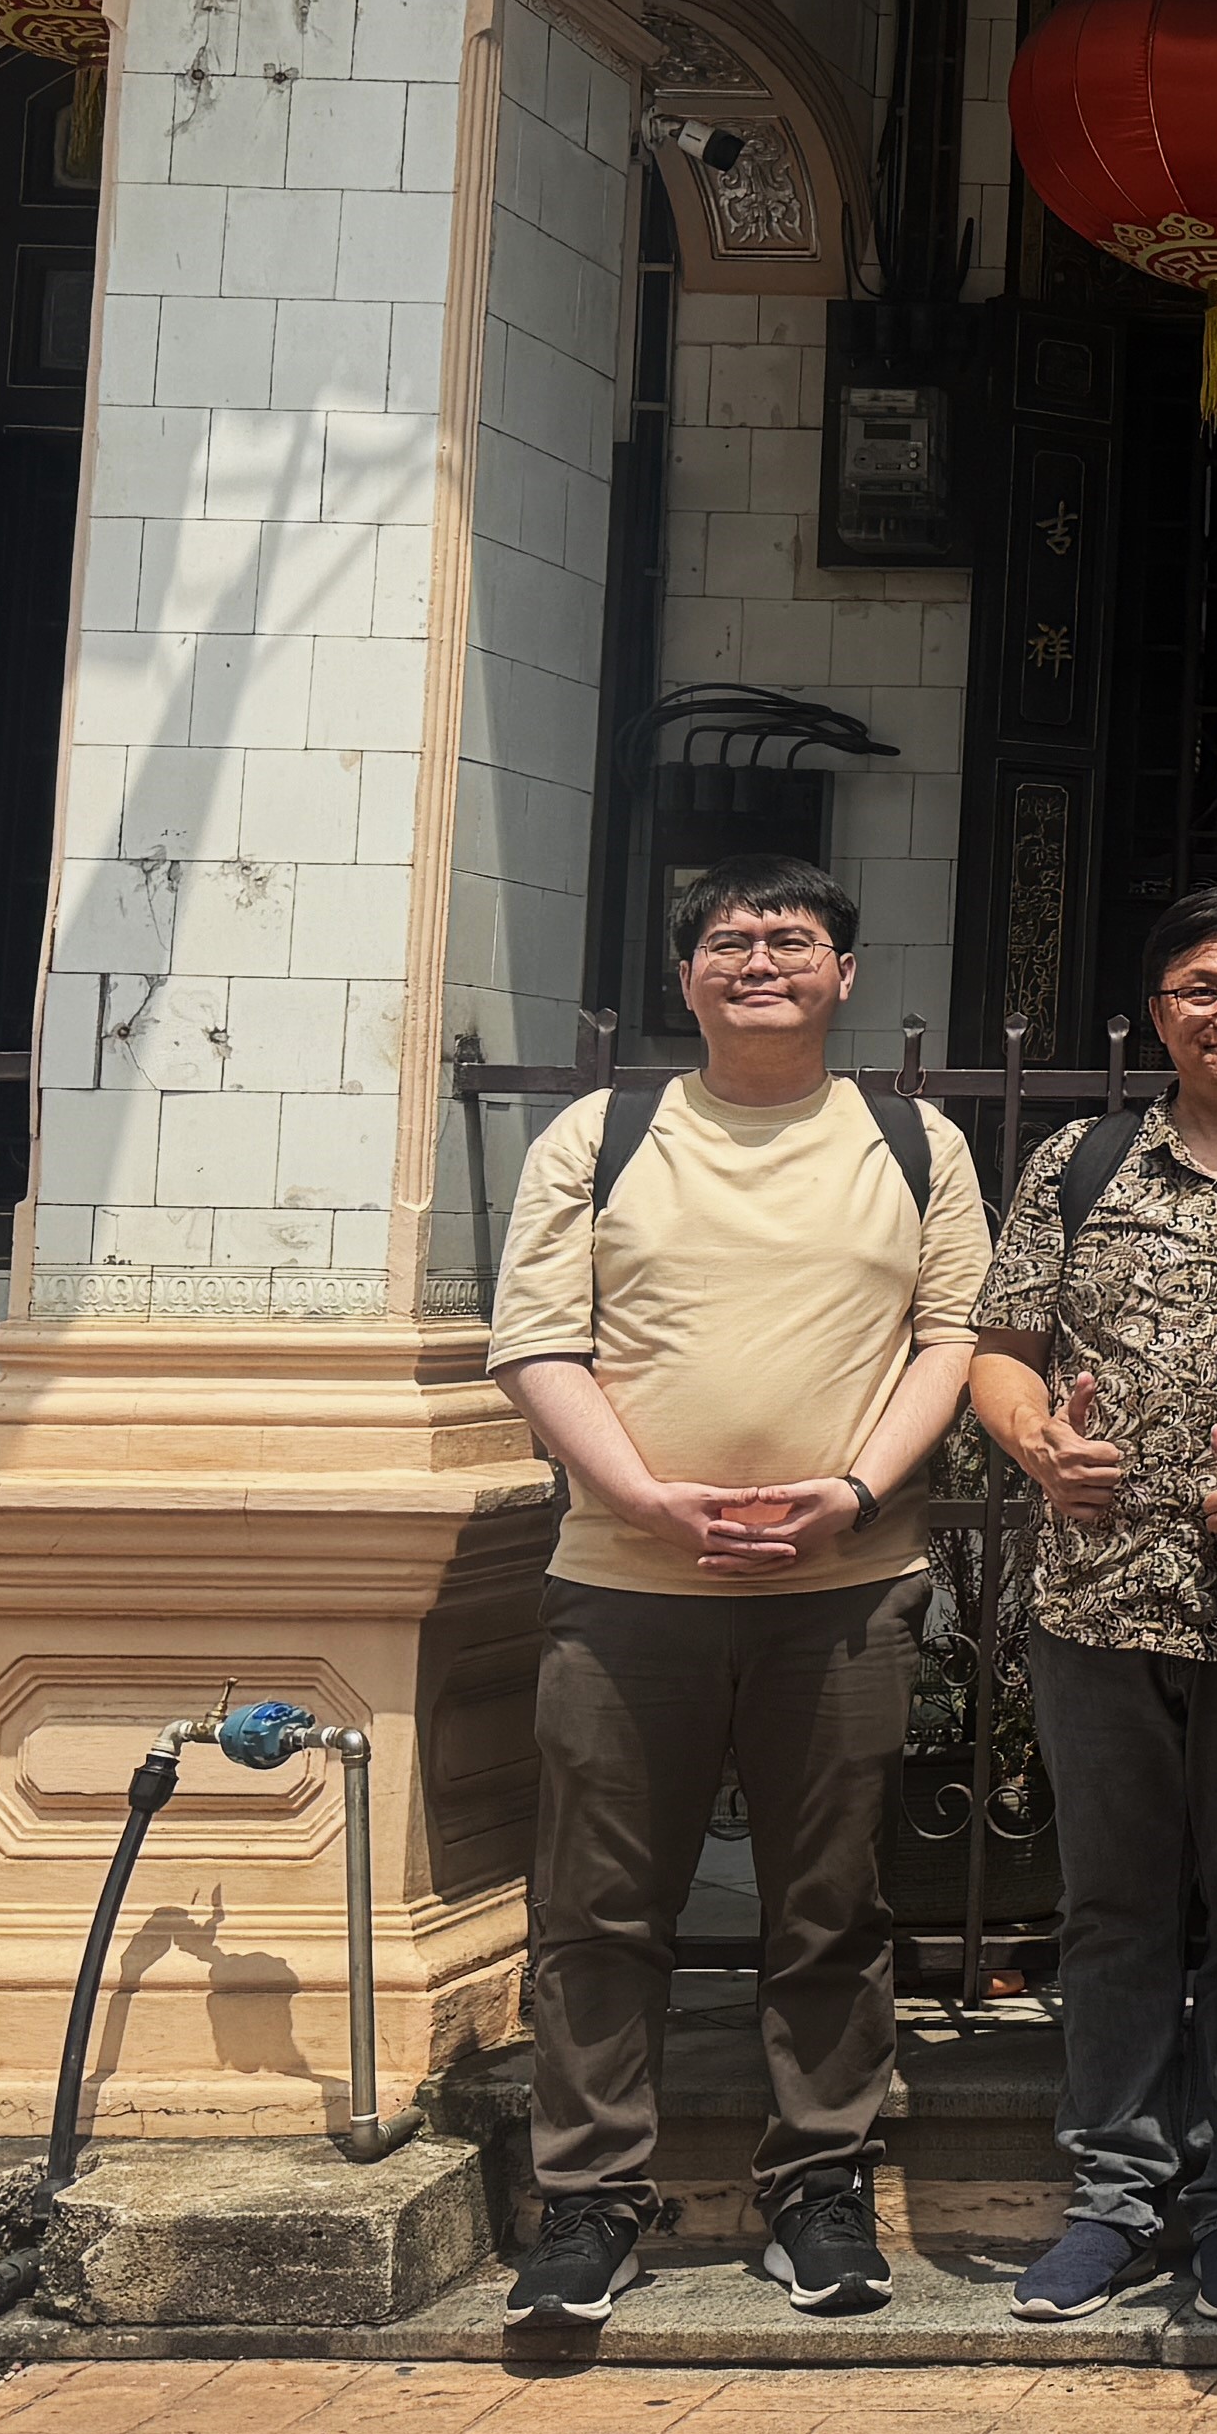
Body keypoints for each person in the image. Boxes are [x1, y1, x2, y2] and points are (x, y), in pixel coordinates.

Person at [485, 857, 991, 2330]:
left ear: (845, 974)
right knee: (597, 1908)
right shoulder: (605, 1131)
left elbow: (948, 1337)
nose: (758, 959)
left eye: (792, 938)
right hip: (625, 1583)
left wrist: (852, 1493)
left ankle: (820, 2186)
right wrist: (639, 1495)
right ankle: (589, 2201)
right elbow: (535, 1340)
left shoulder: (912, 1144)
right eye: (727, 939)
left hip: (843, 1588)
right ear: (684, 977)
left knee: (829, 1908)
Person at [965, 885, 1217, 2329]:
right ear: (1156, 1012)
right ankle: (1116, 2196)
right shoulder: (1081, 1160)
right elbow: (1000, 1349)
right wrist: (1034, 1441)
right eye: (1199, 989)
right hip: (1097, 1606)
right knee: (1113, 1914)